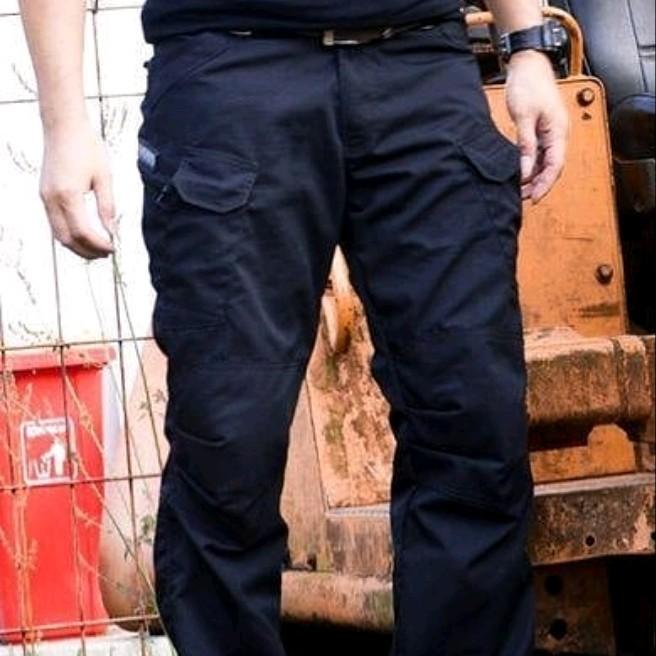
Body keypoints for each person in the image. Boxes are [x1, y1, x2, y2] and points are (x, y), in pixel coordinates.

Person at [20, 0, 569, 653]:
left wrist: (527, 43)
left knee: (473, 422)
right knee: (227, 443)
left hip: (420, 68)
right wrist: (64, 123)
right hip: (231, 73)